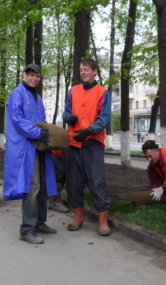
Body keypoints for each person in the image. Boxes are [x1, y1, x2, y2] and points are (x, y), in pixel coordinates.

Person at [3, 63, 57, 245]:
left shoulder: (37, 98)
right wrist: (39, 133)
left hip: (39, 147)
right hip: (26, 148)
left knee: (42, 186)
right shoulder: (17, 94)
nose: (34, 78)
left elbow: (42, 121)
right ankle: (26, 229)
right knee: (32, 187)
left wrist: (47, 135)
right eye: (31, 75)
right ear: (25, 75)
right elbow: (18, 120)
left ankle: (40, 222)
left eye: (37, 76)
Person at [63, 58, 112, 236]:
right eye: (81, 69)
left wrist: (89, 130)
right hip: (74, 144)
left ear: (95, 71)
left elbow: (104, 119)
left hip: (93, 144)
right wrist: (68, 118)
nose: (83, 72)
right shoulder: (73, 91)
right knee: (74, 183)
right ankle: (77, 217)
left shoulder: (102, 93)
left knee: (97, 182)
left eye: (86, 69)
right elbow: (66, 111)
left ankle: (103, 221)